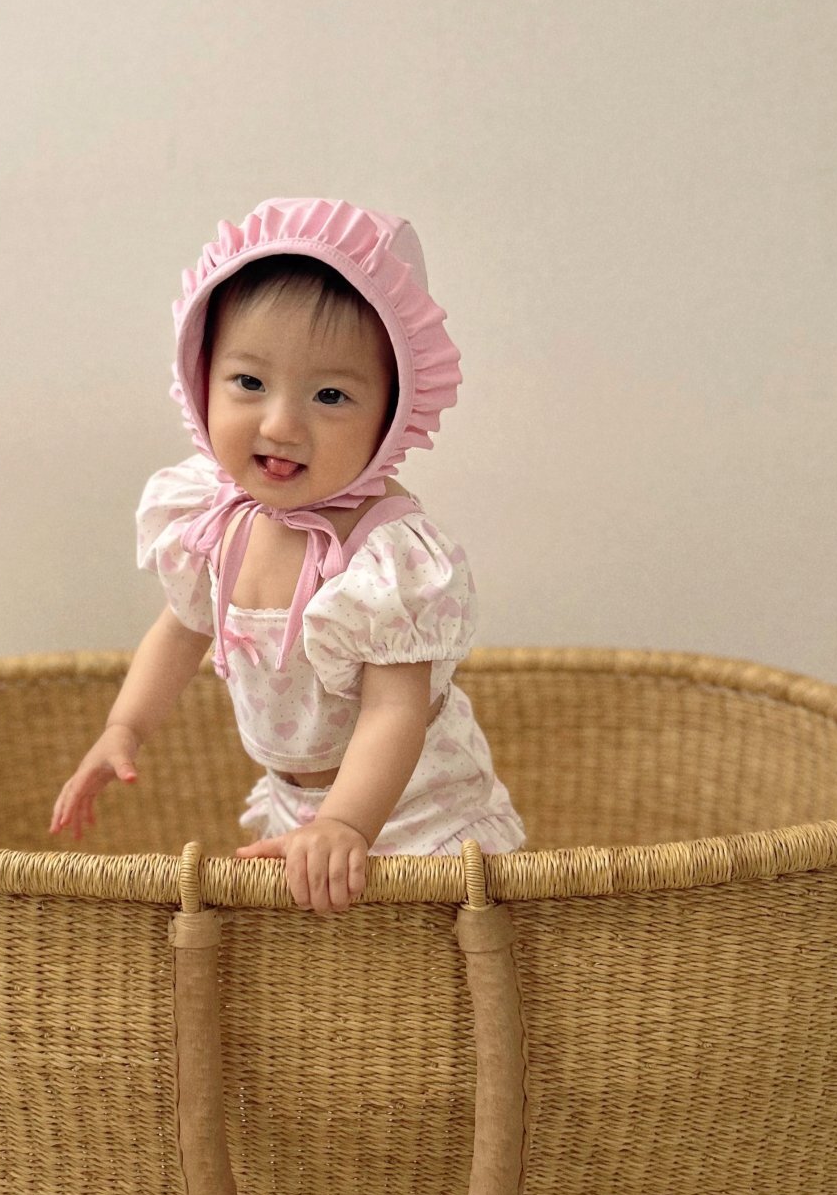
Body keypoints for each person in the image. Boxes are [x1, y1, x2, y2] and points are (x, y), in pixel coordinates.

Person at [49, 195, 527, 914]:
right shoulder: (214, 516)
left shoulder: (384, 557)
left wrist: (346, 824)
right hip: (297, 805)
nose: (280, 424)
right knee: (316, 961)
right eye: (249, 383)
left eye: (330, 395)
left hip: (410, 808)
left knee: (430, 953)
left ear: (394, 413)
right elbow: (180, 629)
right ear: (201, 378)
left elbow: (394, 710)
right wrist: (124, 728)